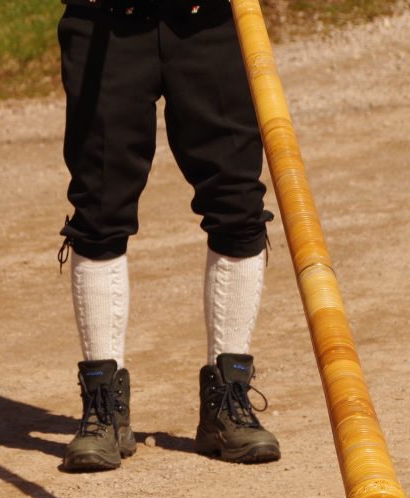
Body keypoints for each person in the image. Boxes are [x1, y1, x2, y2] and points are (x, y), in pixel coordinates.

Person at [57, 0, 281, 471]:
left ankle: (229, 399)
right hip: (105, 20)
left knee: (238, 203)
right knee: (99, 208)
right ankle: (102, 407)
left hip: (213, 20)